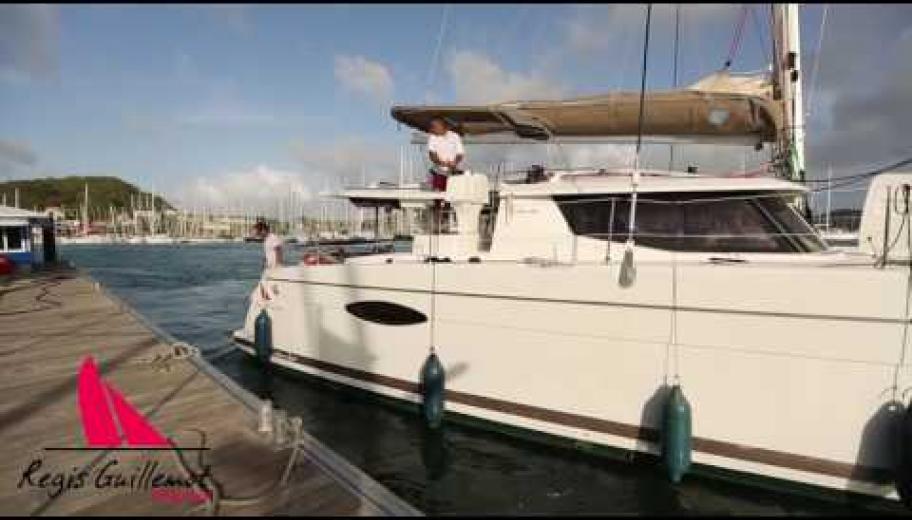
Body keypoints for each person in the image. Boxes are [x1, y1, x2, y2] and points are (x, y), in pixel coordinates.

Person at [427, 117, 465, 192]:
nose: (432, 129)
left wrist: (454, 162)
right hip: (439, 172)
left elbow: (460, 153)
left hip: (454, 171)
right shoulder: (432, 137)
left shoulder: (455, 136)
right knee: (438, 196)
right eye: (432, 127)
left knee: (453, 193)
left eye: (434, 127)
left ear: (443, 127)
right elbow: (432, 154)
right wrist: (441, 163)